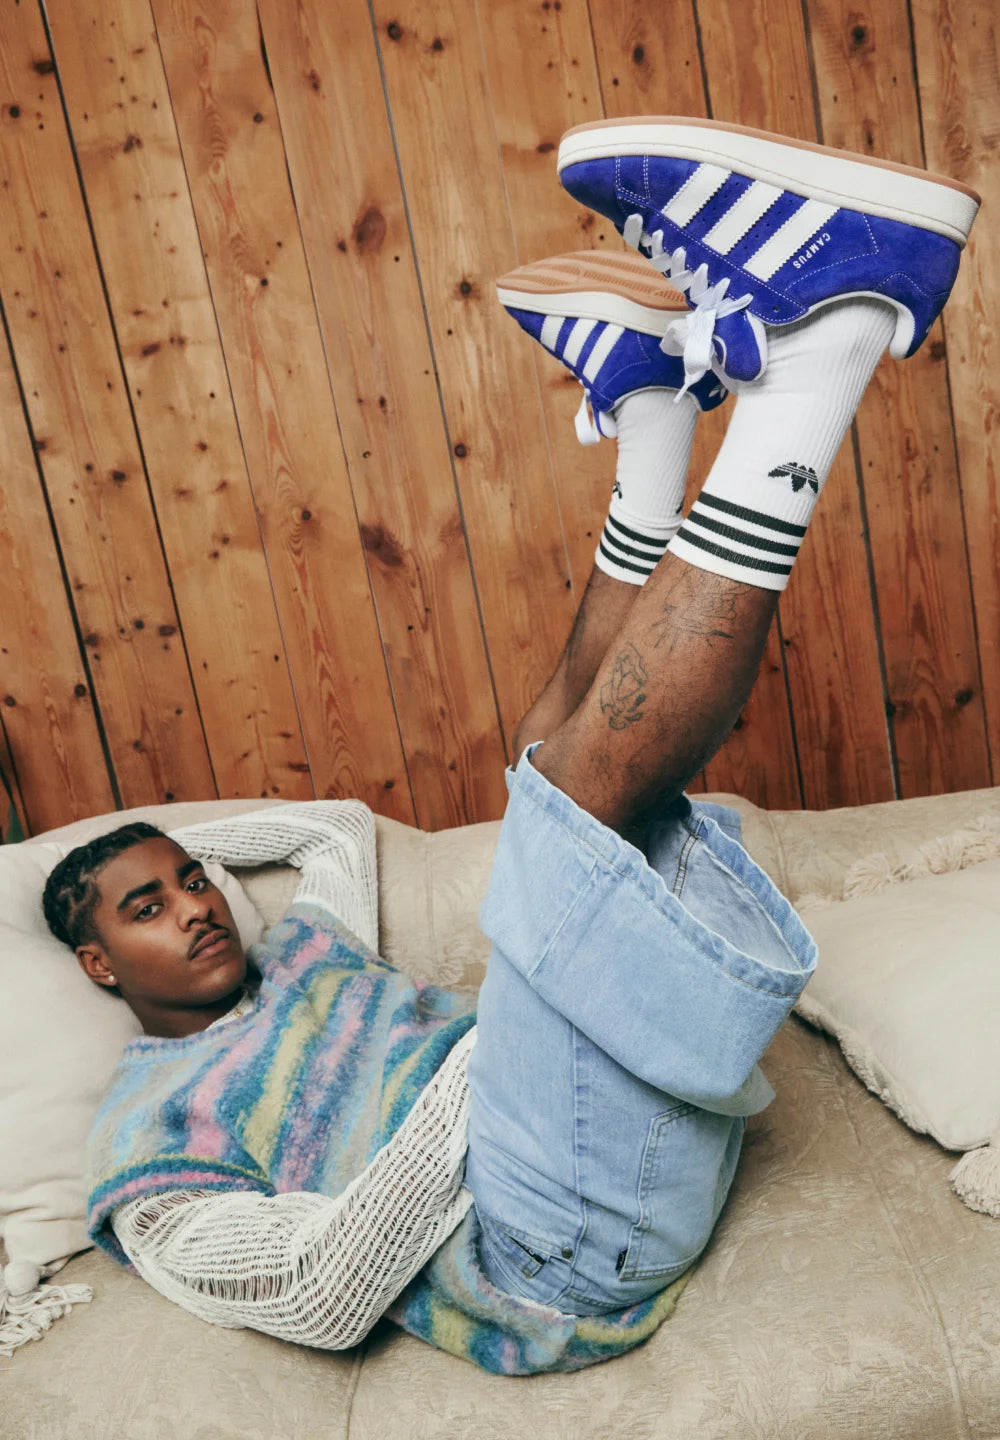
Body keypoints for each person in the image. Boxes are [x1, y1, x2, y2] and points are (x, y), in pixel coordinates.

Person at [43, 117, 977, 1375]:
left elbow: (326, 834)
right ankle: (830, 338)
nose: (198, 905)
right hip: (546, 1254)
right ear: (96, 964)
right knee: (566, 811)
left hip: (573, 1117)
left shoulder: (305, 950)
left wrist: (129, 849)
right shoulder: (141, 1134)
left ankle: (652, 419)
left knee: (543, 761)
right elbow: (316, 1293)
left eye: (191, 879)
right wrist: (484, 1064)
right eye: (146, 909)